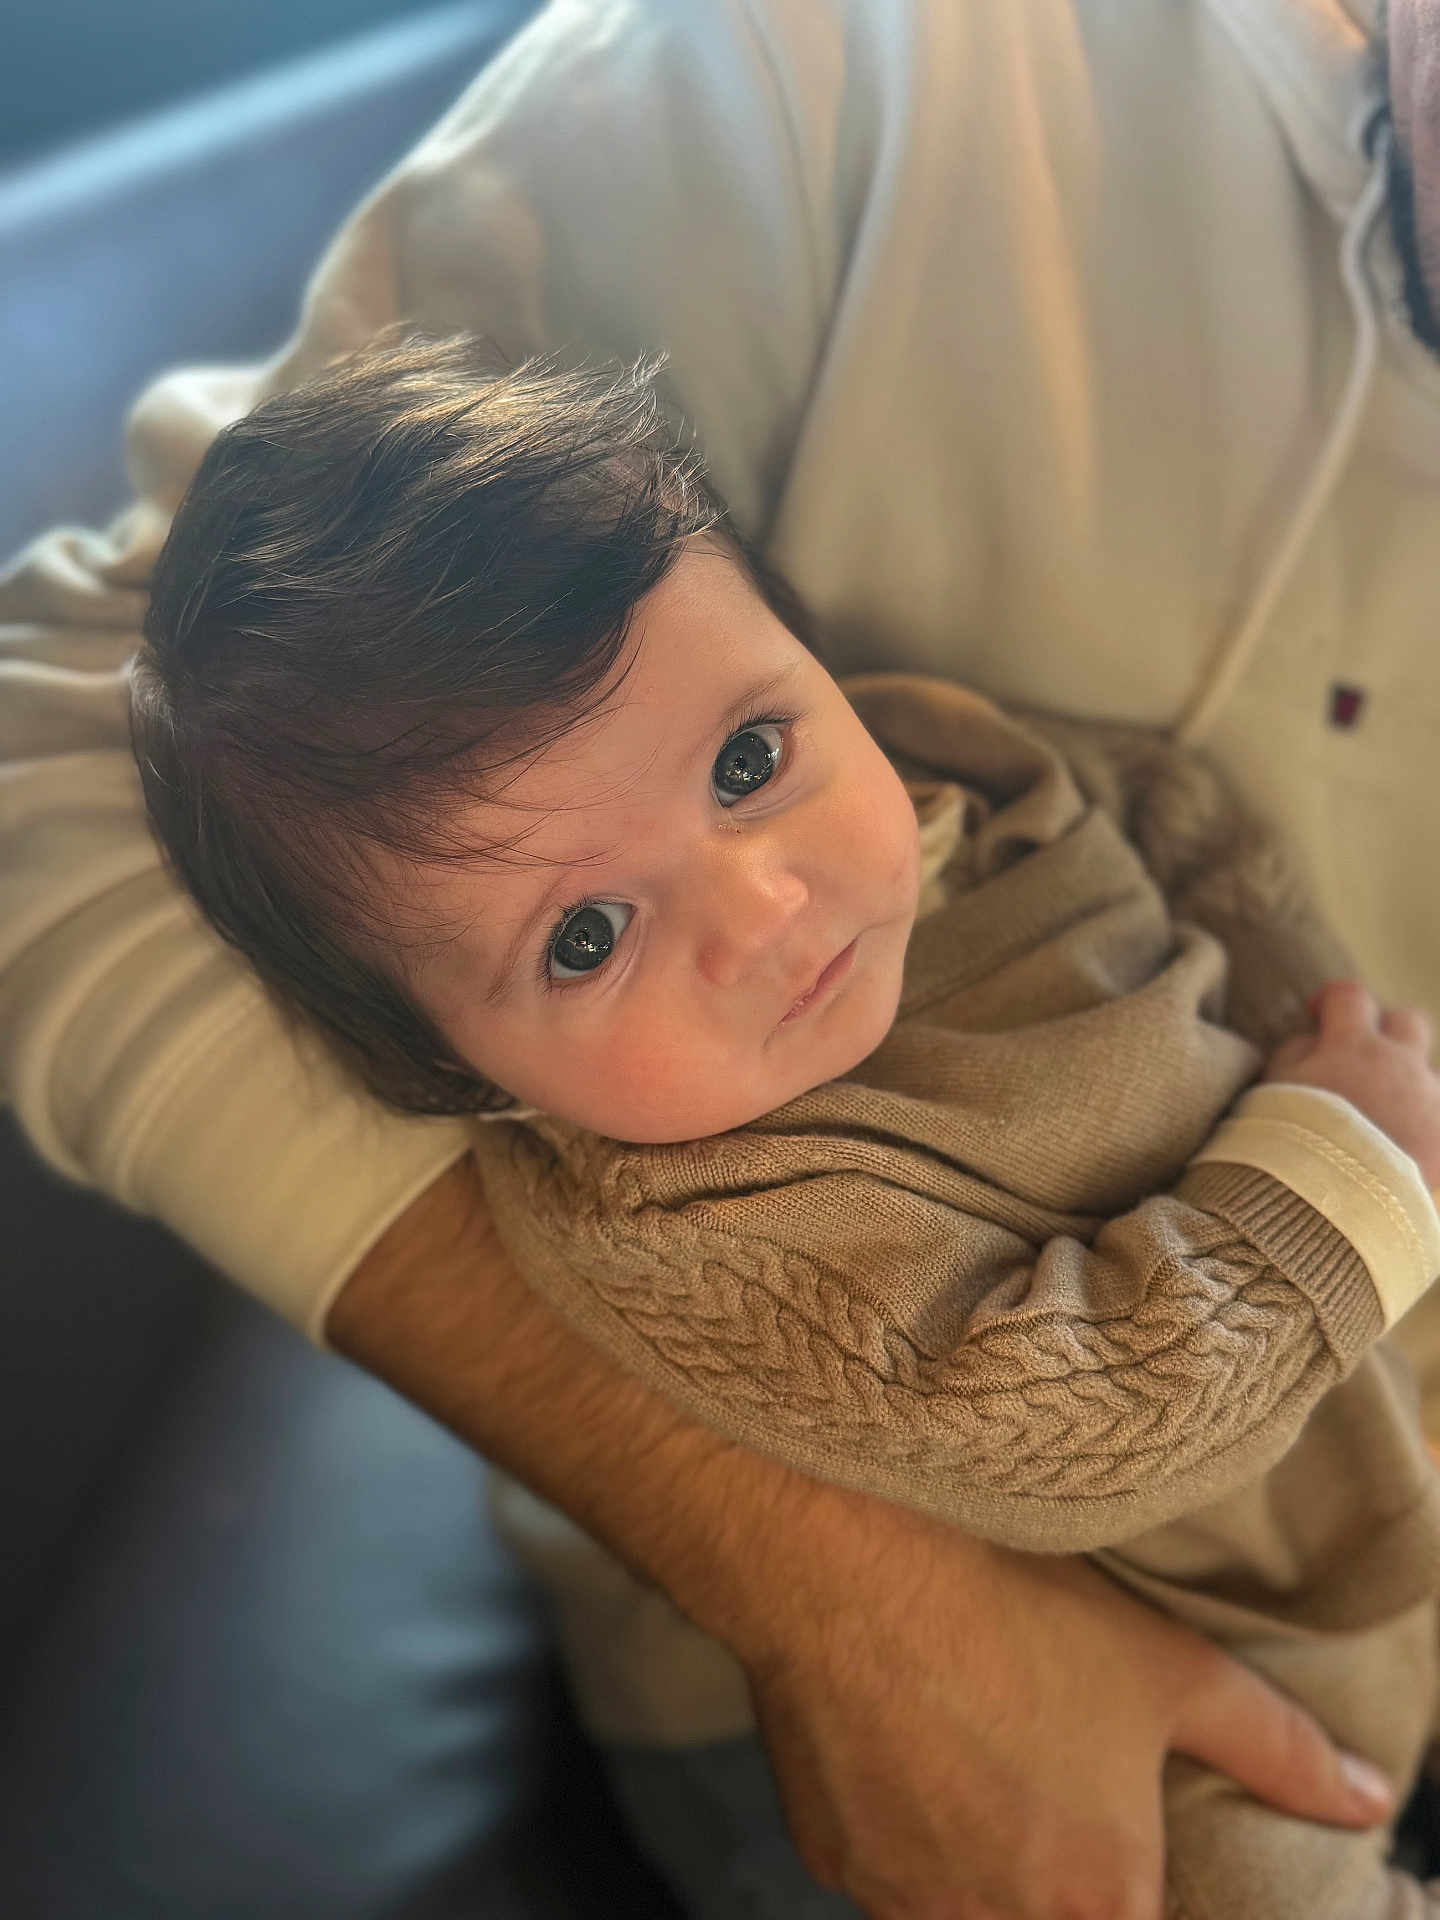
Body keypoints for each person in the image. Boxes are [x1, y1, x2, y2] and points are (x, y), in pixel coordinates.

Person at [6, 0, 1440, 1913]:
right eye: (585, 937)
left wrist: (1311, 1021)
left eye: (756, 755)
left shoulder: (941, 763)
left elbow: (1156, 826)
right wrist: (1353, 1165)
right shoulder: (710, 1225)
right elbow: (1058, 1426)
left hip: (1344, 1436)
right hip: (1111, 1646)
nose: (766, 909)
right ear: (458, 1073)